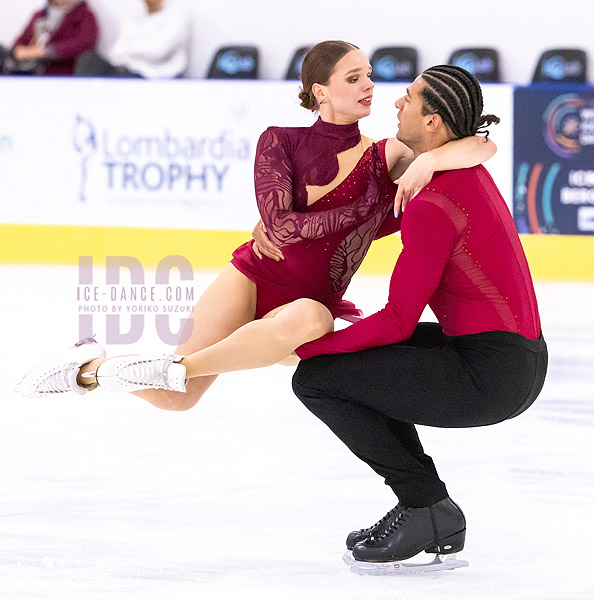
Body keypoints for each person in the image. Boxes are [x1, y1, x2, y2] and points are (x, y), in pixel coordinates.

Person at [17, 42, 495, 417]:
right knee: (178, 398)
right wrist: (367, 210)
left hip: (312, 302)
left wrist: (431, 157)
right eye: (354, 78)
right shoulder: (279, 142)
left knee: (313, 323)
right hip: (252, 278)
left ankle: (156, 368)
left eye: (369, 74)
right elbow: (283, 227)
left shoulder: (387, 155)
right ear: (320, 91)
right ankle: (87, 368)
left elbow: (482, 147)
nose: (369, 85)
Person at [288, 65, 547, 573]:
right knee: (366, 367)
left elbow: (398, 321)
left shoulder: (434, 200)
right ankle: (428, 507)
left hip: (490, 375)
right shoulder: (460, 171)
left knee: (317, 379)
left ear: (433, 123)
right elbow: (475, 145)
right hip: (508, 356)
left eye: (407, 99)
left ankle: (425, 506)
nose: (395, 105)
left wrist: (308, 348)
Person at [74, 0, 190, 79]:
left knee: (102, 78)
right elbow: (116, 53)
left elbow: (157, 51)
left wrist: (131, 49)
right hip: (125, 70)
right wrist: (140, 49)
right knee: (89, 59)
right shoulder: (134, 20)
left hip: (152, 76)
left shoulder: (175, 17)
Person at [0, 0, 98, 76]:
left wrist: (47, 51)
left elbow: (84, 43)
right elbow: (21, 40)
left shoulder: (85, 16)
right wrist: (20, 51)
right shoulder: (40, 15)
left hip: (60, 74)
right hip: (27, 70)